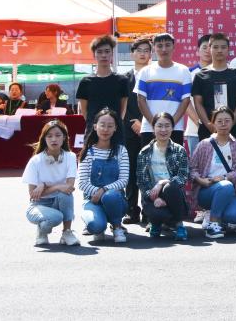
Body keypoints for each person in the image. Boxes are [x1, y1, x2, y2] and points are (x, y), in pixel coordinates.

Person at [189, 108, 236, 239]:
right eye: (219, 121)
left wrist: (224, 177)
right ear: (213, 123)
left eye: (227, 121)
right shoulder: (204, 144)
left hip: (228, 188)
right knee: (225, 186)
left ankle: (214, 214)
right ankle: (213, 225)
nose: (223, 124)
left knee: (235, 216)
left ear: (232, 122)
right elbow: (192, 168)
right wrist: (200, 180)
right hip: (206, 189)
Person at [23, 119, 79, 246]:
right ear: (44, 139)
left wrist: (44, 185)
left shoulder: (70, 157)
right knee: (56, 217)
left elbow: (69, 187)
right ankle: (42, 230)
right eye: (49, 136)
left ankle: (67, 232)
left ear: (64, 137)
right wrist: (57, 187)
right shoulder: (35, 161)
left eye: (58, 135)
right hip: (38, 205)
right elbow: (33, 195)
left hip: (59, 200)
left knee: (66, 195)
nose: (54, 139)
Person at [77, 109, 130, 244]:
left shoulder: (121, 151)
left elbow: (124, 180)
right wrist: (97, 193)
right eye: (102, 125)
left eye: (110, 126)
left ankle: (117, 226)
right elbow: (82, 183)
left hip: (115, 200)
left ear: (115, 128)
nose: (105, 129)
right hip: (92, 200)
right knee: (95, 226)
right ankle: (99, 222)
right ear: (95, 127)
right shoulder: (88, 152)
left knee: (110, 196)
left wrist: (103, 190)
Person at [137, 112, 190, 240]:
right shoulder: (144, 152)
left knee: (170, 187)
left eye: (167, 126)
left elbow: (183, 177)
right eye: (159, 126)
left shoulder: (179, 150)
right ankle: (156, 223)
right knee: (157, 213)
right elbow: (142, 182)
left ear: (172, 128)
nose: (163, 130)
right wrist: (154, 198)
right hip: (152, 195)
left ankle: (179, 225)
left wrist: (162, 182)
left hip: (173, 194)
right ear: (153, 128)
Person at [134, 33, 193, 145]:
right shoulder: (145, 72)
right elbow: (140, 100)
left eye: (167, 45)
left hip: (175, 128)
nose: (164, 49)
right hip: (149, 128)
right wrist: (154, 123)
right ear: (154, 48)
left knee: (174, 157)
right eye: (160, 46)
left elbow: (185, 100)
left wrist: (170, 124)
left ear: (173, 47)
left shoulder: (183, 71)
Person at [191, 32, 236, 145]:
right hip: (208, 129)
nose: (219, 50)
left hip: (234, 129)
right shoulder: (200, 76)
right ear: (210, 49)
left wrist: (231, 123)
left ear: (228, 49)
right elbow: (198, 103)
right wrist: (209, 124)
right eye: (215, 47)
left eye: (223, 47)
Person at [122, 36, 151, 225]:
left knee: (149, 170)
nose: (142, 54)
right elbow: (121, 104)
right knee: (130, 170)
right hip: (129, 128)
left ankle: (149, 210)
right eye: (139, 50)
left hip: (150, 127)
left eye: (146, 50)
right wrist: (133, 122)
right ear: (132, 54)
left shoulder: (154, 75)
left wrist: (144, 122)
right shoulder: (124, 78)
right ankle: (131, 210)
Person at [76, 35, 129, 138]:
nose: (104, 55)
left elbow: (123, 110)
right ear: (94, 55)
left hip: (116, 131)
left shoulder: (122, 80)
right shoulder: (85, 81)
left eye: (107, 51)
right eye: (99, 52)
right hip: (93, 131)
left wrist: (113, 125)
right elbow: (84, 111)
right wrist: (95, 126)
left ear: (112, 53)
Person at [185, 34, 213, 154]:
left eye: (210, 47)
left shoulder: (225, 71)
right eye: (204, 47)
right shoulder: (189, 73)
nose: (207, 51)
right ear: (198, 51)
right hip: (194, 130)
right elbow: (185, 102)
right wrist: (200, 123)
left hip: (220, 130)